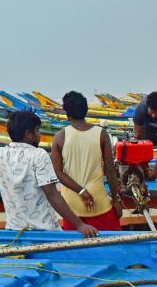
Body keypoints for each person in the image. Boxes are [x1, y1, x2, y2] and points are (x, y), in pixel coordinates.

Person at [0, 111, 98, 238]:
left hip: (14, 233)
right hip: (45, 232)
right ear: (28, 134)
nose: (39, 135)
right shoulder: (38, 155)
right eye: (38, 130)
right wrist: (79, 225)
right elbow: (52, 194)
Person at [51, 91, 122, 231]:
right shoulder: (102, 134)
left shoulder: (59, 137)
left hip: (71, 207)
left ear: (67, 113)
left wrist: (81, 191)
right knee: (111, 244)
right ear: (86, 110)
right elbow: (110, 170)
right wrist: (115, 199)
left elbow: (58, 173)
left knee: (74, 249)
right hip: (98, 201)